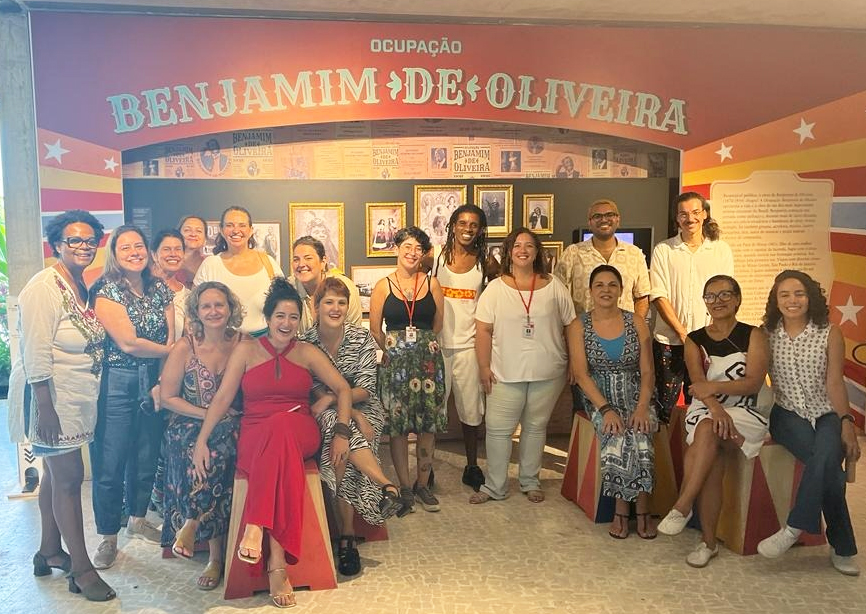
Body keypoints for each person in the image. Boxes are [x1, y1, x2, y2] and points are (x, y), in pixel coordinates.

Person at [190, 277, 361, 607]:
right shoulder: (246, 350)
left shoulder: (308, 352)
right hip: (255, 436)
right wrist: (201, 440)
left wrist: (342, 431)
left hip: (300, 430)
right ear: (268, 318)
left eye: (294, 317)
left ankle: (256, 525)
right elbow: (223, 397)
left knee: (282, 424)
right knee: (276, 439)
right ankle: (277, 565)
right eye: (280, 316)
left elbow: (342, 388)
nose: (287, 323)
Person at [7, 210, 115, 601]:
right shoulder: (44, 287)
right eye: (74, 240)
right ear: (57, 244)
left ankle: (49, 551)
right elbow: (34, 349)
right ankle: (82, 571)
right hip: (50, 398)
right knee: (69, 479)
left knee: (55, 476)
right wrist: (45, 408)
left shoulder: (79, 282)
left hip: (75, 397)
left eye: (90, 240)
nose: (84, 246)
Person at [656, 275, 770, 567]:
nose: (717, 301)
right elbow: (697, 383)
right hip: (705, 410)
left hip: (746, 410)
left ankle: (685, 507)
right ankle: (705, 540)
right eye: (710, 296)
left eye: (725, 294)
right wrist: (716, 408)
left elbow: (753, 383)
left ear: (737, 299)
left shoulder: (754, 335)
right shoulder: (694, 339)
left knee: (708, 434)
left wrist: (714, 388)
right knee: (710, 439)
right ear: (704, 302)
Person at [756, 270, 861, 576]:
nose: (792, 300)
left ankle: (793, 527)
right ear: (776, 300)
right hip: (786, 413)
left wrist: (846, 422)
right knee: (830, 470)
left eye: (799, 293)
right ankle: (843, 548)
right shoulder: (766, 334)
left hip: (826, 411)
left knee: (825, 460)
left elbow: (834, 383)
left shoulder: (829, 332)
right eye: (785, 295)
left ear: (810, 297)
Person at [300, 277, 403, 576]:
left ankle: (346, 536)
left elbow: (366, 388)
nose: (335, 308)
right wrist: (346, 411)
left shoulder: (362, 338)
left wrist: (344, 405)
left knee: (344, 437)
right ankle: (384, 485)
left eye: (341, 303)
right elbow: (311, 389)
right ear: (316, 307)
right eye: (328, 302)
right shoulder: (305, 342)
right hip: (325, 411)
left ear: (348, 307)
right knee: (339, 430)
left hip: (364, 408)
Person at [470, 228, 578, 504]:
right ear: (508, 252)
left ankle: (530, 481)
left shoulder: (554, 286)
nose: (523, 250)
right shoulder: (495, 289)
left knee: (535, 428)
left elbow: (571, 325)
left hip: (548, 372)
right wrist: (483, 367)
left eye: (529, 245)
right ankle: (495, 486)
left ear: (537, 251)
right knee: (498, 431)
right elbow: (483, 331)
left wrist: (575, 363)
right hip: (504, 373)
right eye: (517, 245)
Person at [90, 225, 175, 570]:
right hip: (117, 382)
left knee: (145, 454)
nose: (134, 252)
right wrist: (171, 351)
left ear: (147, 251)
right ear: (114, 253)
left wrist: (162, 380)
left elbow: (171, 337)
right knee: (110, 462)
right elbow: (128, 343)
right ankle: (108, 536)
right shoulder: (106, 289)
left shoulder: (160, 288)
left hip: (153, 379)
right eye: (125, 247)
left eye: (138, 245)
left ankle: (138, 519)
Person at [157, 282, 244, 590]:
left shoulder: (243, 342)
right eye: (206, 306)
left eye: (219, 304)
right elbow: (168, 397)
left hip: (232, 422)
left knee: (219, 451)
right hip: (189, 421)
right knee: (194, 449)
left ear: (231, 309)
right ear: (196, 311)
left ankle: (193, 525)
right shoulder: (186, 346)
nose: (213, 311)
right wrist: (206, 414)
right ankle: (213, 554)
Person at [571, 265, 656, 539]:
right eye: (599, 285)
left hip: (636, 394)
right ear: (591, 291)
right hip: (599, 396)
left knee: (641, 434)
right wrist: (606, 410)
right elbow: (581, 375)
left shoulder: (636, 322)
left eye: (612, 285)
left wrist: (642, 407)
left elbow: (648, 371)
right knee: (617, 435)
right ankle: (621, 509)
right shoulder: (579, 325)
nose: (606, 290)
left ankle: (642, 508)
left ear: (621, 290)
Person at [369, 227, 446, 514]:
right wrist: (393, 350)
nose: (413, 253)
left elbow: (438, 324)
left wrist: (422, 346)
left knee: (428, 425)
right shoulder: (383, 286)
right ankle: (404, 486)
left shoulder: (432, 283)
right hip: (396, 365)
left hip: (428, 362)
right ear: (397, 249)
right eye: (407, 246)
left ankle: (422, 484)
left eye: (418, 248)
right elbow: (375, 328)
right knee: (398, 427)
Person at [555, 199, 651, 414]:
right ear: (589, 222)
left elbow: (642, 296)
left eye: (609, 215)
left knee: (630, 406)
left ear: (618, 219)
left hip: (625, 346)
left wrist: (635, 331)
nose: (604, 219)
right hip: (584, 345)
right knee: (584, 410)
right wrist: (571, 353)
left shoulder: (634, 254)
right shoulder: (573, 253)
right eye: (597, 216)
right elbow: (559, 300)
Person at [649, 192, 733, 423]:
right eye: (683, 214)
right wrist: (684, 335)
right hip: (670, 343)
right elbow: (659, 295)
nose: (690, 218)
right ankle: (666, 448)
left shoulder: (720, 250)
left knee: (703, 406)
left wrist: (706, 335)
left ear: (704, 214)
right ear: (676, 218)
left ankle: (697, 446)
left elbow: (725, 296)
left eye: (695, 212)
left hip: (709, 343)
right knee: (665, 409)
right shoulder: (664, 250)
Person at [431, 204, 489, 491]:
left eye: (473, 224)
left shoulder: (485, 263)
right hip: (437, 345)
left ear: (480, 229)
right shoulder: (434, 258)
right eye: (462, 223)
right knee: (433, 410)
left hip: (469, 346)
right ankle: (426, 469)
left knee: (471, 411)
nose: (468, 229)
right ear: (452, 225)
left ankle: (472, 465)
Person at [194, 206, 283, 335]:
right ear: (221, 230)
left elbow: (285, 303)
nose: (236, 230)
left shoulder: (268, 262)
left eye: (242, 225)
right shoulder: (210, 265)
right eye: (229, 225)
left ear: (251, 230)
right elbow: (193, 308)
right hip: (222, 342)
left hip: (264, 342)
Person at [289, 235, 363, 334]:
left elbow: (354, 333)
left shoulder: (344, 287)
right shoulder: (287, 289)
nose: (301, 264)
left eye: (308, 258)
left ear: (323, 262)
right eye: (296, 259)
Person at [151, 229, 189, 340]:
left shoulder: (188, 296)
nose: (173, 254)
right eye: (166, 249)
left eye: (178, 249)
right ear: (154, 255)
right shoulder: (139, 288)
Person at [176, 215, 207, 288]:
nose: (193, 234)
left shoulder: (209, 264)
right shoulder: (168, 262)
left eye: (198, 231)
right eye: (187, 230)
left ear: (205, 238)